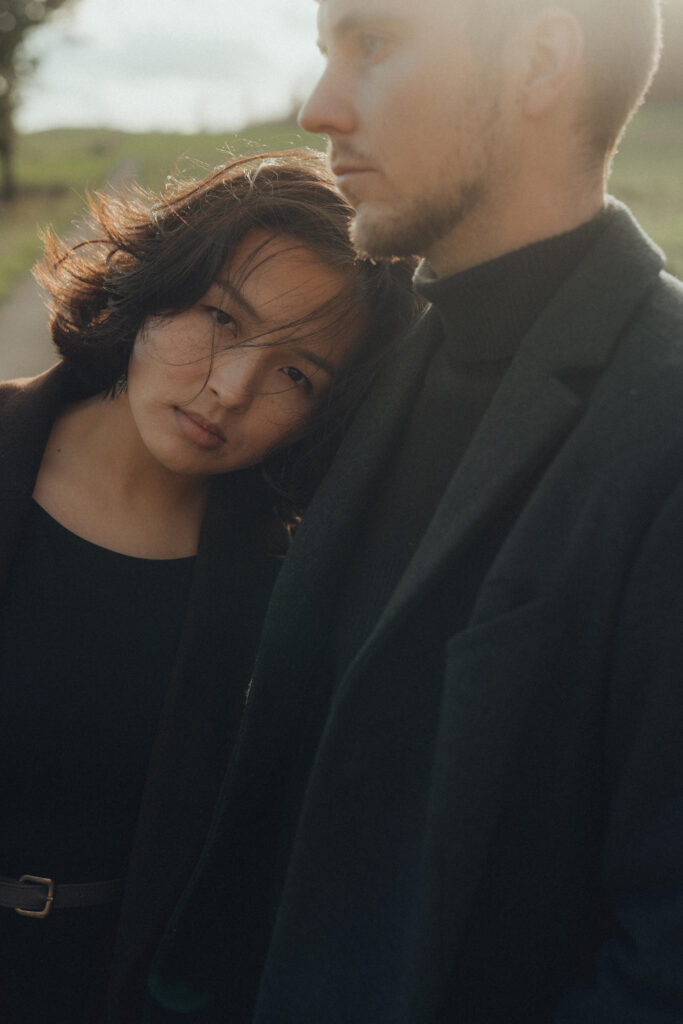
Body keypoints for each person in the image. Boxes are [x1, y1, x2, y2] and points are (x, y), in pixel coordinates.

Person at [145, 1, 683, 1022]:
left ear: (538, 58)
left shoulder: (661, 422)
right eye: (325, 52)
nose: (318, 107)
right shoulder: (370, 357)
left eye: (374, 44)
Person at [0, 148, 418, 1023]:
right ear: (158, 281)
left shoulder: (287, 590)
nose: (230, 389)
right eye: (222, 318)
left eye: (296, 374)